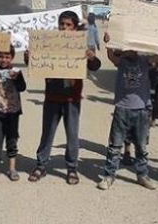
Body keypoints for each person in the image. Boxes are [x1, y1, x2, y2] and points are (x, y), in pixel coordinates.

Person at [27, 10, 102, 185]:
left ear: (75, 28)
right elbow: (35, 63)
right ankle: (41, 165)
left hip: (71, 100)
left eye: (68, 25)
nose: (64, 28)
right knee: (47, 134)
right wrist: (29, 56)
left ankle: (71, 168)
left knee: (72, 135)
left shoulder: (80, 46)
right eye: (62, 24)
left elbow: (95, 66)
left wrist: (91, 57)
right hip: (52, 97)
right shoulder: (49, 43)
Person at [98, 44, 158, 191]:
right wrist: (109, 44)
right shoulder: (122, 61)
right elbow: (111, 56)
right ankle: (109, 176)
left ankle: (142, 175)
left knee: (141, 146)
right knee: (115, 146)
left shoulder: (144, 60)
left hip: (141, 109)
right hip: (122, 108)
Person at [0, 46, 26, 181]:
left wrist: (16, 78)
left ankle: (12, 168)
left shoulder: (16, 71)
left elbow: (22, 87)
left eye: (7, 57)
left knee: (12, 139)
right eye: (1, 56)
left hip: (12, 112)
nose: (3, 59)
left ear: (12, 57)